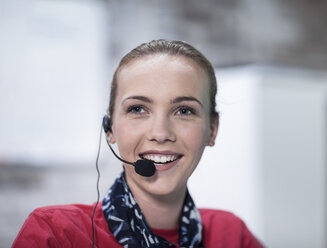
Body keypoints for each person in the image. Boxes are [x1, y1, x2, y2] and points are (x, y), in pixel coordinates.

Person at [12, 39, 263, 248]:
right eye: (138, 109)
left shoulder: (232, 235)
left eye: (184, 111)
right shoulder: (56, 233)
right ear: (110, 128)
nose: (160, 133)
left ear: (212, 129)